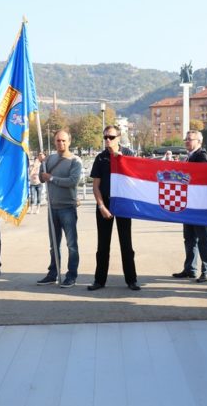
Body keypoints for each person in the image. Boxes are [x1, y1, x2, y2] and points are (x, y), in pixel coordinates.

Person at [88, 125, 140, 291]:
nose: (108, 141)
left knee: (126, 244)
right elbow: (95, 185)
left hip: (123, 204)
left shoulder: (129, 154)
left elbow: (137, 178)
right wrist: (101, 206)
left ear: (119, 137)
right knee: (102, 245)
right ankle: (99, 280)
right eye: (105, 138)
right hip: (105, 204)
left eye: (111, 137)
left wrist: (121, 159)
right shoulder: (100, 158)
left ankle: (131, 280)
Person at [36, 129, 83, 288]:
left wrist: (52, 178)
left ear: (69, 141)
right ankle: (53, 273)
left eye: (64, 140)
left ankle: (71, 275)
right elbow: (42, 179)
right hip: (52, 208)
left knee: (71, 245)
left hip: (67, 208)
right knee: (54, 244)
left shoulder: (75, 161)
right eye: (58, 140)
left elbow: (72, 181)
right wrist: (41, 164)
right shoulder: (50, 159)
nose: (61, 143)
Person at [172, 130, 207, 282]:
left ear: (199, 141)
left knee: (203, 238)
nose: (187, 141)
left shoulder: (202, 156)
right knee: (189, 238)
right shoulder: (188, 157)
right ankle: (190, 268)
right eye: (186, 139)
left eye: (190, 139)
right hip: (188, 204)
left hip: (200, 206)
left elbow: (203, 178)